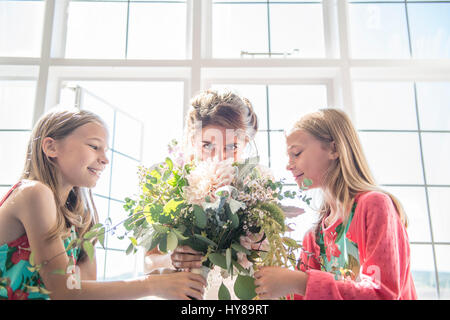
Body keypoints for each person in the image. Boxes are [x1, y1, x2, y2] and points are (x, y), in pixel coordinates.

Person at [0, 108, 206, 300]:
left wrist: (161, 276)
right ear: (51, 147)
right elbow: (63, 291)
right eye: (94, 146)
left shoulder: (82, 218)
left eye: (105, 150)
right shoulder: (33, 193)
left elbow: (85, 290)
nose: (105, 159)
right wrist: (152, 284)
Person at [254, 108, 417, 300]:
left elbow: (383, 294)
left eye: (296, 153)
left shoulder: (374, 205)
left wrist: (298, 282)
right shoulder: (314, 238)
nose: (288, 165)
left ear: (334, 149)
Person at [144, 89, 259, 298]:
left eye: (232, 146)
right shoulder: (172, 188)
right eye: (208, 145)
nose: (219, 157)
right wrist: (171, 259)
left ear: (245, 144)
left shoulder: (258, 191)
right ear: (192, 141)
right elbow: (148, 261)